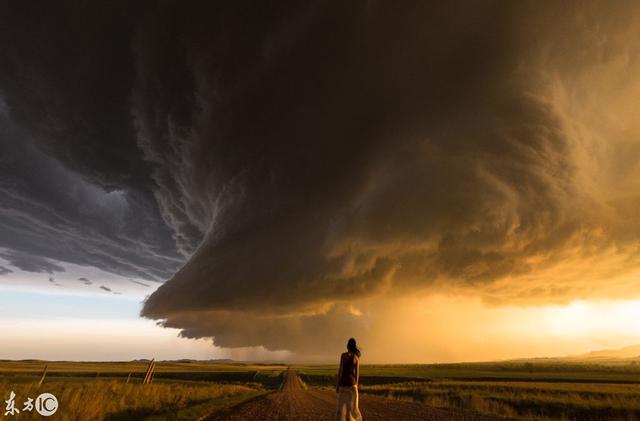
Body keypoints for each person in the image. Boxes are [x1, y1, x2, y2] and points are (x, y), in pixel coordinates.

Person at [335, 338, 363, 421]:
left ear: (347, 346)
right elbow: (357, 374)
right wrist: (356, 387)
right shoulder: (356, 358)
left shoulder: (343, 355)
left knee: (340, 409)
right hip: (352, 385)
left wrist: (337, 385)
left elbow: (340, 371)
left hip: (343, 385)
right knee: (350, 410)